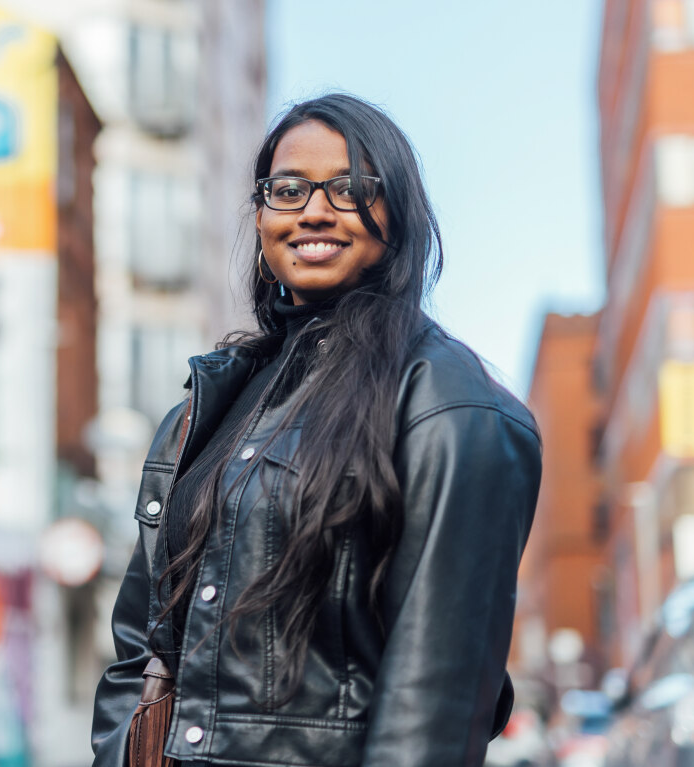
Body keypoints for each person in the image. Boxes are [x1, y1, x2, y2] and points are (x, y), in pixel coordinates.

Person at [90, 93, 542, 767]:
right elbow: (139, 648)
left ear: (399, 213)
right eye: (289, 188)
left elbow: (434, 706)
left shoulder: (451, 403)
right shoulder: (214, 401)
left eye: (351, 188)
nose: (315, 209)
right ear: (263, 213)